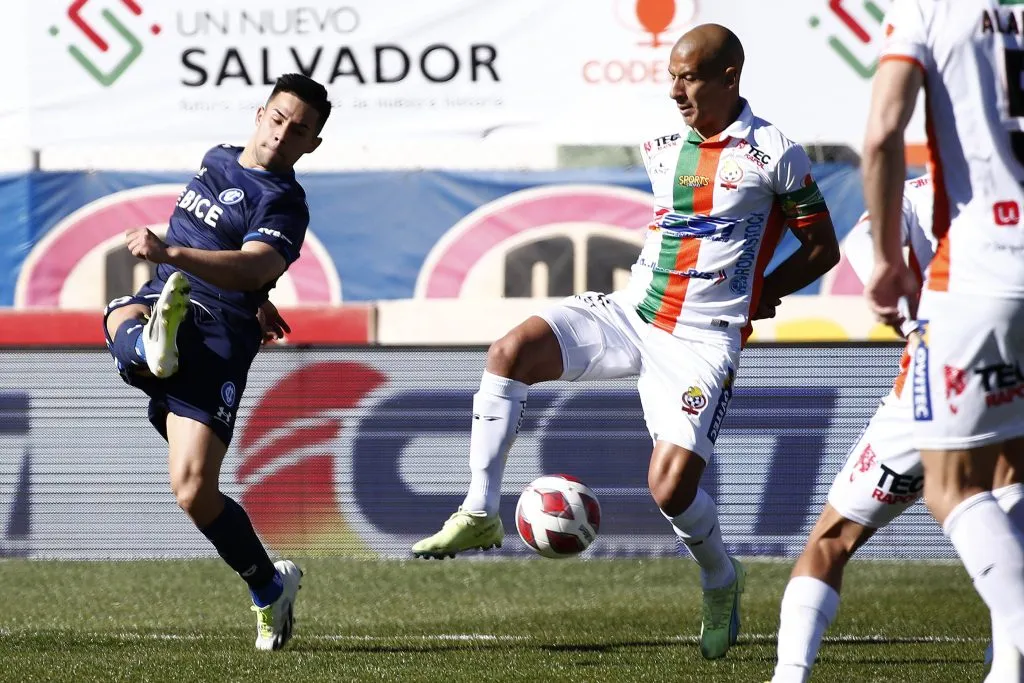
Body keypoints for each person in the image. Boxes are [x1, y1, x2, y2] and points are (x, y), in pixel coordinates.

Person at [412, 23, 840, 660]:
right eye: (671, 76)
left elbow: (822, 248)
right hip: (630, 310)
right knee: (510, 352)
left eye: (689, 77)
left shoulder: (775, 152)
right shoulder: (662, 143)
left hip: (701, 339)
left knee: (670, 490)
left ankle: (721, 577)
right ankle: (479, 509)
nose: (675, 91)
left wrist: (764, 291)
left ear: (730, 77)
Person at [101, 73, 329, 651]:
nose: (282, 135)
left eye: (299, 130)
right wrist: (262, 299)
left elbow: (253, 265)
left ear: (312, 146)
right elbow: (248, 269)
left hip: (218, 334)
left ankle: (268, 587)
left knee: (193, 491)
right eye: (278, 119)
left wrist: (176, 254)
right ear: (259, 114)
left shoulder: (285, 202)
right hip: (170, 300)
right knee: (119, 313)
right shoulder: (217, 158)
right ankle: (153, 347)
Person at [769, 175, 1024, 682]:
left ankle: (789, 676)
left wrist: (905, 308)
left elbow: (864, 240)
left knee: (833, 538)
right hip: (1010, 378)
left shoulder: (925, 187)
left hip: (936, 372)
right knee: (1011, 520)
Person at [863, 0, 1024, 664]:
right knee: (1011, 470)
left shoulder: (926, 10)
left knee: (949, 482)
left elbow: (881, 133)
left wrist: (884, 257)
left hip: (982, 270)